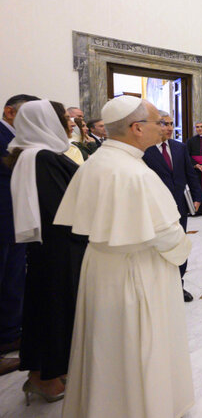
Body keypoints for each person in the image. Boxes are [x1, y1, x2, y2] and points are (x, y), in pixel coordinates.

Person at [55, 96, 193, 418]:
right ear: (136, 129)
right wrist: (183, 250)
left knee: (106, 345)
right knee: (137, 343)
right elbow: (167, 235)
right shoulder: (135, 173)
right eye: (158, 122)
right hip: (136, 272)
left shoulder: (95, 162)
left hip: (100, 266)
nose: (163, 129)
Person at [6, 100, 88, 403]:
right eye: (63, 118)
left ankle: (48, 372)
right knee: (53, 309)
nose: (69, 123)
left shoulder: (33, 154)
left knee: (50, 308)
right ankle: (45, 376)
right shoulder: (41, 158)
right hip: (59, 251)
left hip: (52, 250)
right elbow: (62, 211)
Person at [143, 111, 201, 302]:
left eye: (170, 123)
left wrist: (197, 196)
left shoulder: (179, 147)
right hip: (155, 208)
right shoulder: (145, 150)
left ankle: (179, 285)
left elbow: (190, 174)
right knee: (158, 247)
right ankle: (158, 288)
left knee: (178, 244)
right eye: (163, 123)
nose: (168, 128)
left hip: (179, 206)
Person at [0, 94, 39, 377]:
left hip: (15, 220)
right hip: (2, 217)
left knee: (13, 277)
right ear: (10, 113)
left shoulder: (21, 139)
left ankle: (9, 334)